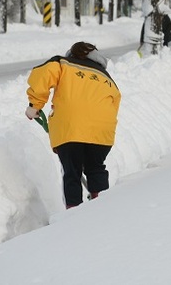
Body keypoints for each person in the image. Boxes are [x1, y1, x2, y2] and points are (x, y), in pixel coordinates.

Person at [25, 41, 122, 208]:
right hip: (102, 131)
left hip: (71, 129)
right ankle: (103, 209)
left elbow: (43, 75)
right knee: (96, 168)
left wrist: (35, 106)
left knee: (72, 172)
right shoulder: (106, 77)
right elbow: (114, 104)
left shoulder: (63, 64)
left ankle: (73, 216)